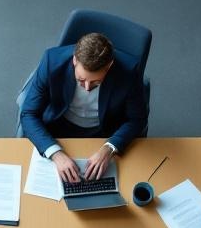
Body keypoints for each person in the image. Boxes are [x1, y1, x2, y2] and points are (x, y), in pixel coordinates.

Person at [20, 32, 148, 183]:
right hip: (58, 128)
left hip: (105, 133)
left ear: (109, 66)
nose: (87, 87)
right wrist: (55, 153)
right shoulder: (51, 61)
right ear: (74, 60)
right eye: (81, 79)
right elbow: (28, 113)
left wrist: (109, 148)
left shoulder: (130, 72)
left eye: (95, 82)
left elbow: (137, 119)